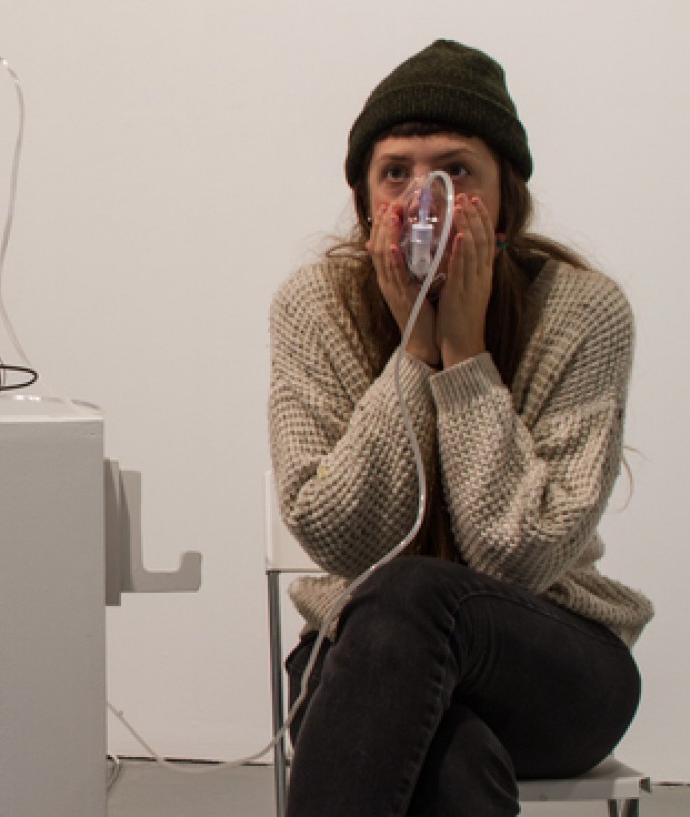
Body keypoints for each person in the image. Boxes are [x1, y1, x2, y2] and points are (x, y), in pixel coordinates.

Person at [268, 40, 652, 816]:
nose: (423, 200)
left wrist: (465, 356)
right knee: (453, 758)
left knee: (412, 593)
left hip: (551, 662)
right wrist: (413, 350)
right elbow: (340, 539)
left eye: (456, 171)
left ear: (507, 197)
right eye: (395, 173)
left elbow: (520, 554)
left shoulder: (584, 311)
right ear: (363, 199)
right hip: (366, 656)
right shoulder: (315, 306)